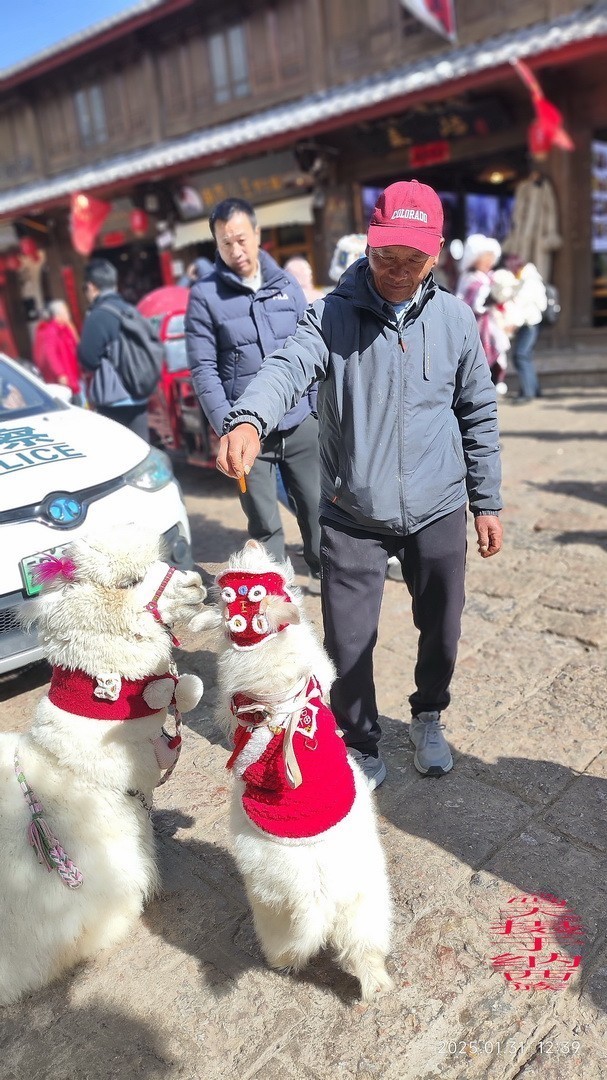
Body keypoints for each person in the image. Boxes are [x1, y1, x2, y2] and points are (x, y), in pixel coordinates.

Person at [215, 180, 503, 791]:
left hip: (438, 504)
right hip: (351, 507)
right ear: (367, 249)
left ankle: (428, 714)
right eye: (385, 257)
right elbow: (286, 366)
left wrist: (488, 501)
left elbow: (477, 410)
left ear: (438, 253)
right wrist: (247, 417)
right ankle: (362, 744)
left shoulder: (455, 320)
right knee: (347, 645)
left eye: (413, 259)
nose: (398, 271)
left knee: (443, 629)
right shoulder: (329, 315)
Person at [185, 197, 322, 593]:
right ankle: (277, 598)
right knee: (263, 521)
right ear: (216, 245)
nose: (236, 250)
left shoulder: (286, 284)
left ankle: (330, 583)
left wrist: (315, 409)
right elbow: (203, 370)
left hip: (300, 423)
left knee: (316, 510)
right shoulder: (204, 296)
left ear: (258, 234)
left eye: (242, 239)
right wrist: (228, 426)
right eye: (225, 243)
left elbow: (309, 347)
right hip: (247, 435)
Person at [78, 258, 152, 440]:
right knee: (142, 451)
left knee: (122, 454)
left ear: (92, 286)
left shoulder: (97, 316)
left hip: (113, 401)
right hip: (139, 394)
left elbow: (89, 359)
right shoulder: (131, 310)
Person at [457, 234, 509, 395]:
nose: (489, 261)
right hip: (474, 325)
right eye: (486, 257)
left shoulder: (489, 278)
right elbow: (470, 302)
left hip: (489, 324)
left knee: (496, 353)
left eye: (492, 258)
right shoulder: (470, 278)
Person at [504, 254, 548, 403]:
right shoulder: (528, 279)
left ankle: (528, 392)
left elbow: (523, 305)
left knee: (521, 356)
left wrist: (514, 323)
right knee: (525, 356)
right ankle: (533, 389)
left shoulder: (529, 281)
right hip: (529, 323)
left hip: (529, 323)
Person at [33, 300, 83, 403]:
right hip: (65, 376)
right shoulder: (51, 330)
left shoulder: (65, 328)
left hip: (73, 373)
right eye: (66, 311)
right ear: (58, 314)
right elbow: (50, 354)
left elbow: (76, 344)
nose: (68, 314)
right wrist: (60, 373)